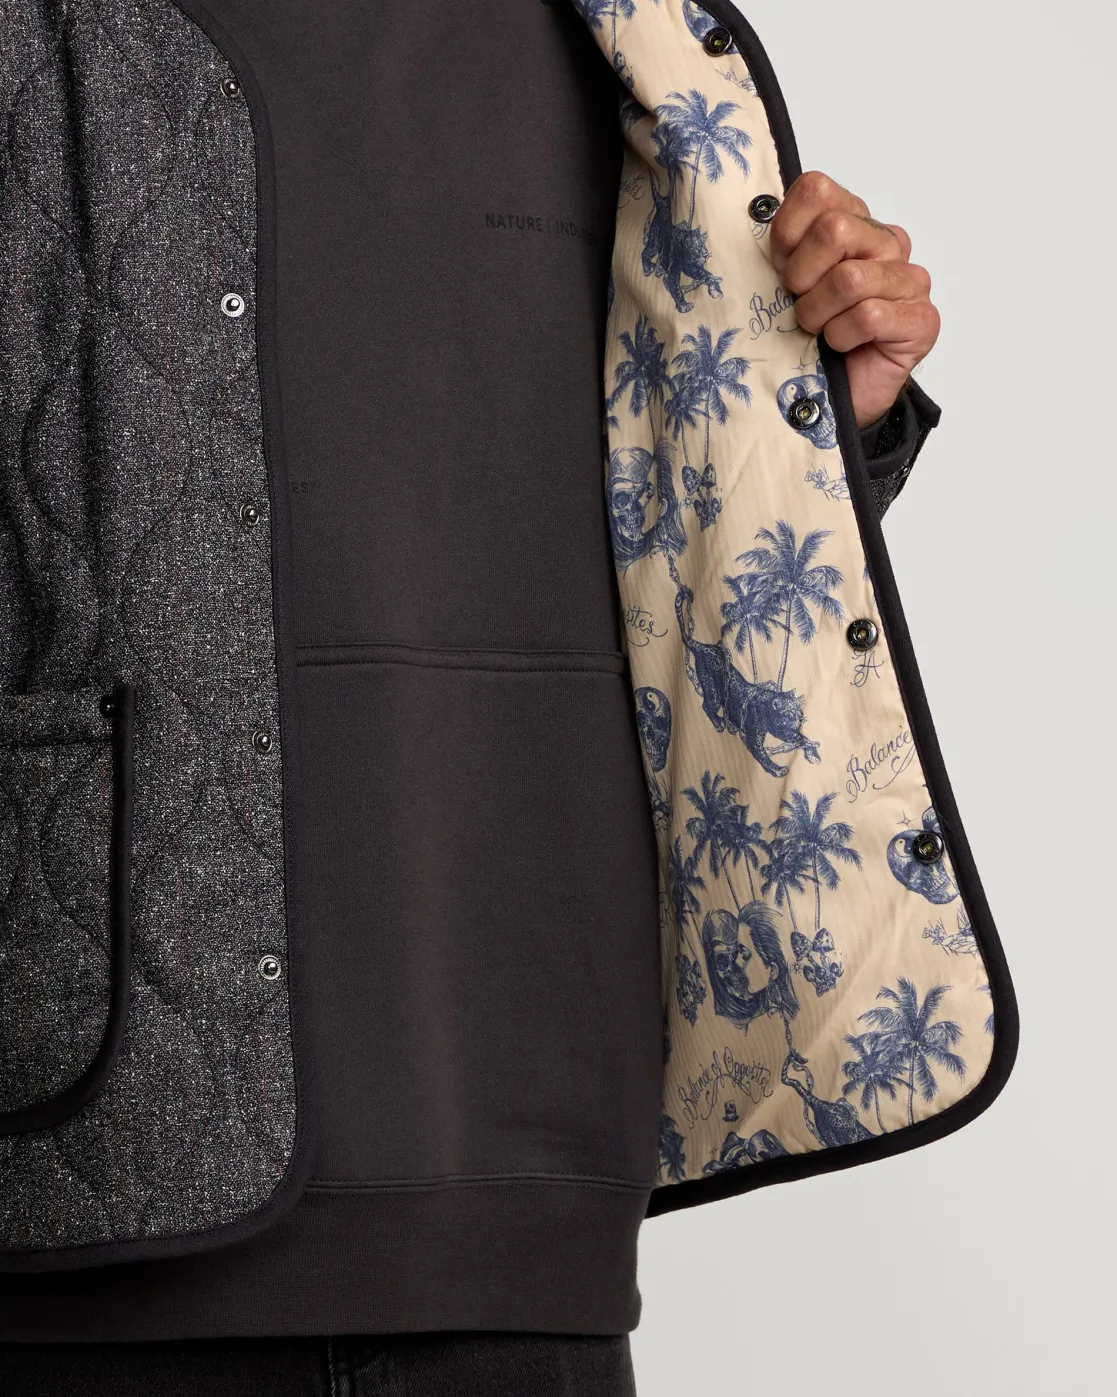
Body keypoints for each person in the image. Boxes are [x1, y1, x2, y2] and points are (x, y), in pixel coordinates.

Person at [0, 2, 1018, 1394]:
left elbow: (648, 553)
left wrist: (816, 423)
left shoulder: (625, 44)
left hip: (528, 1193)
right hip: (106, 1190)